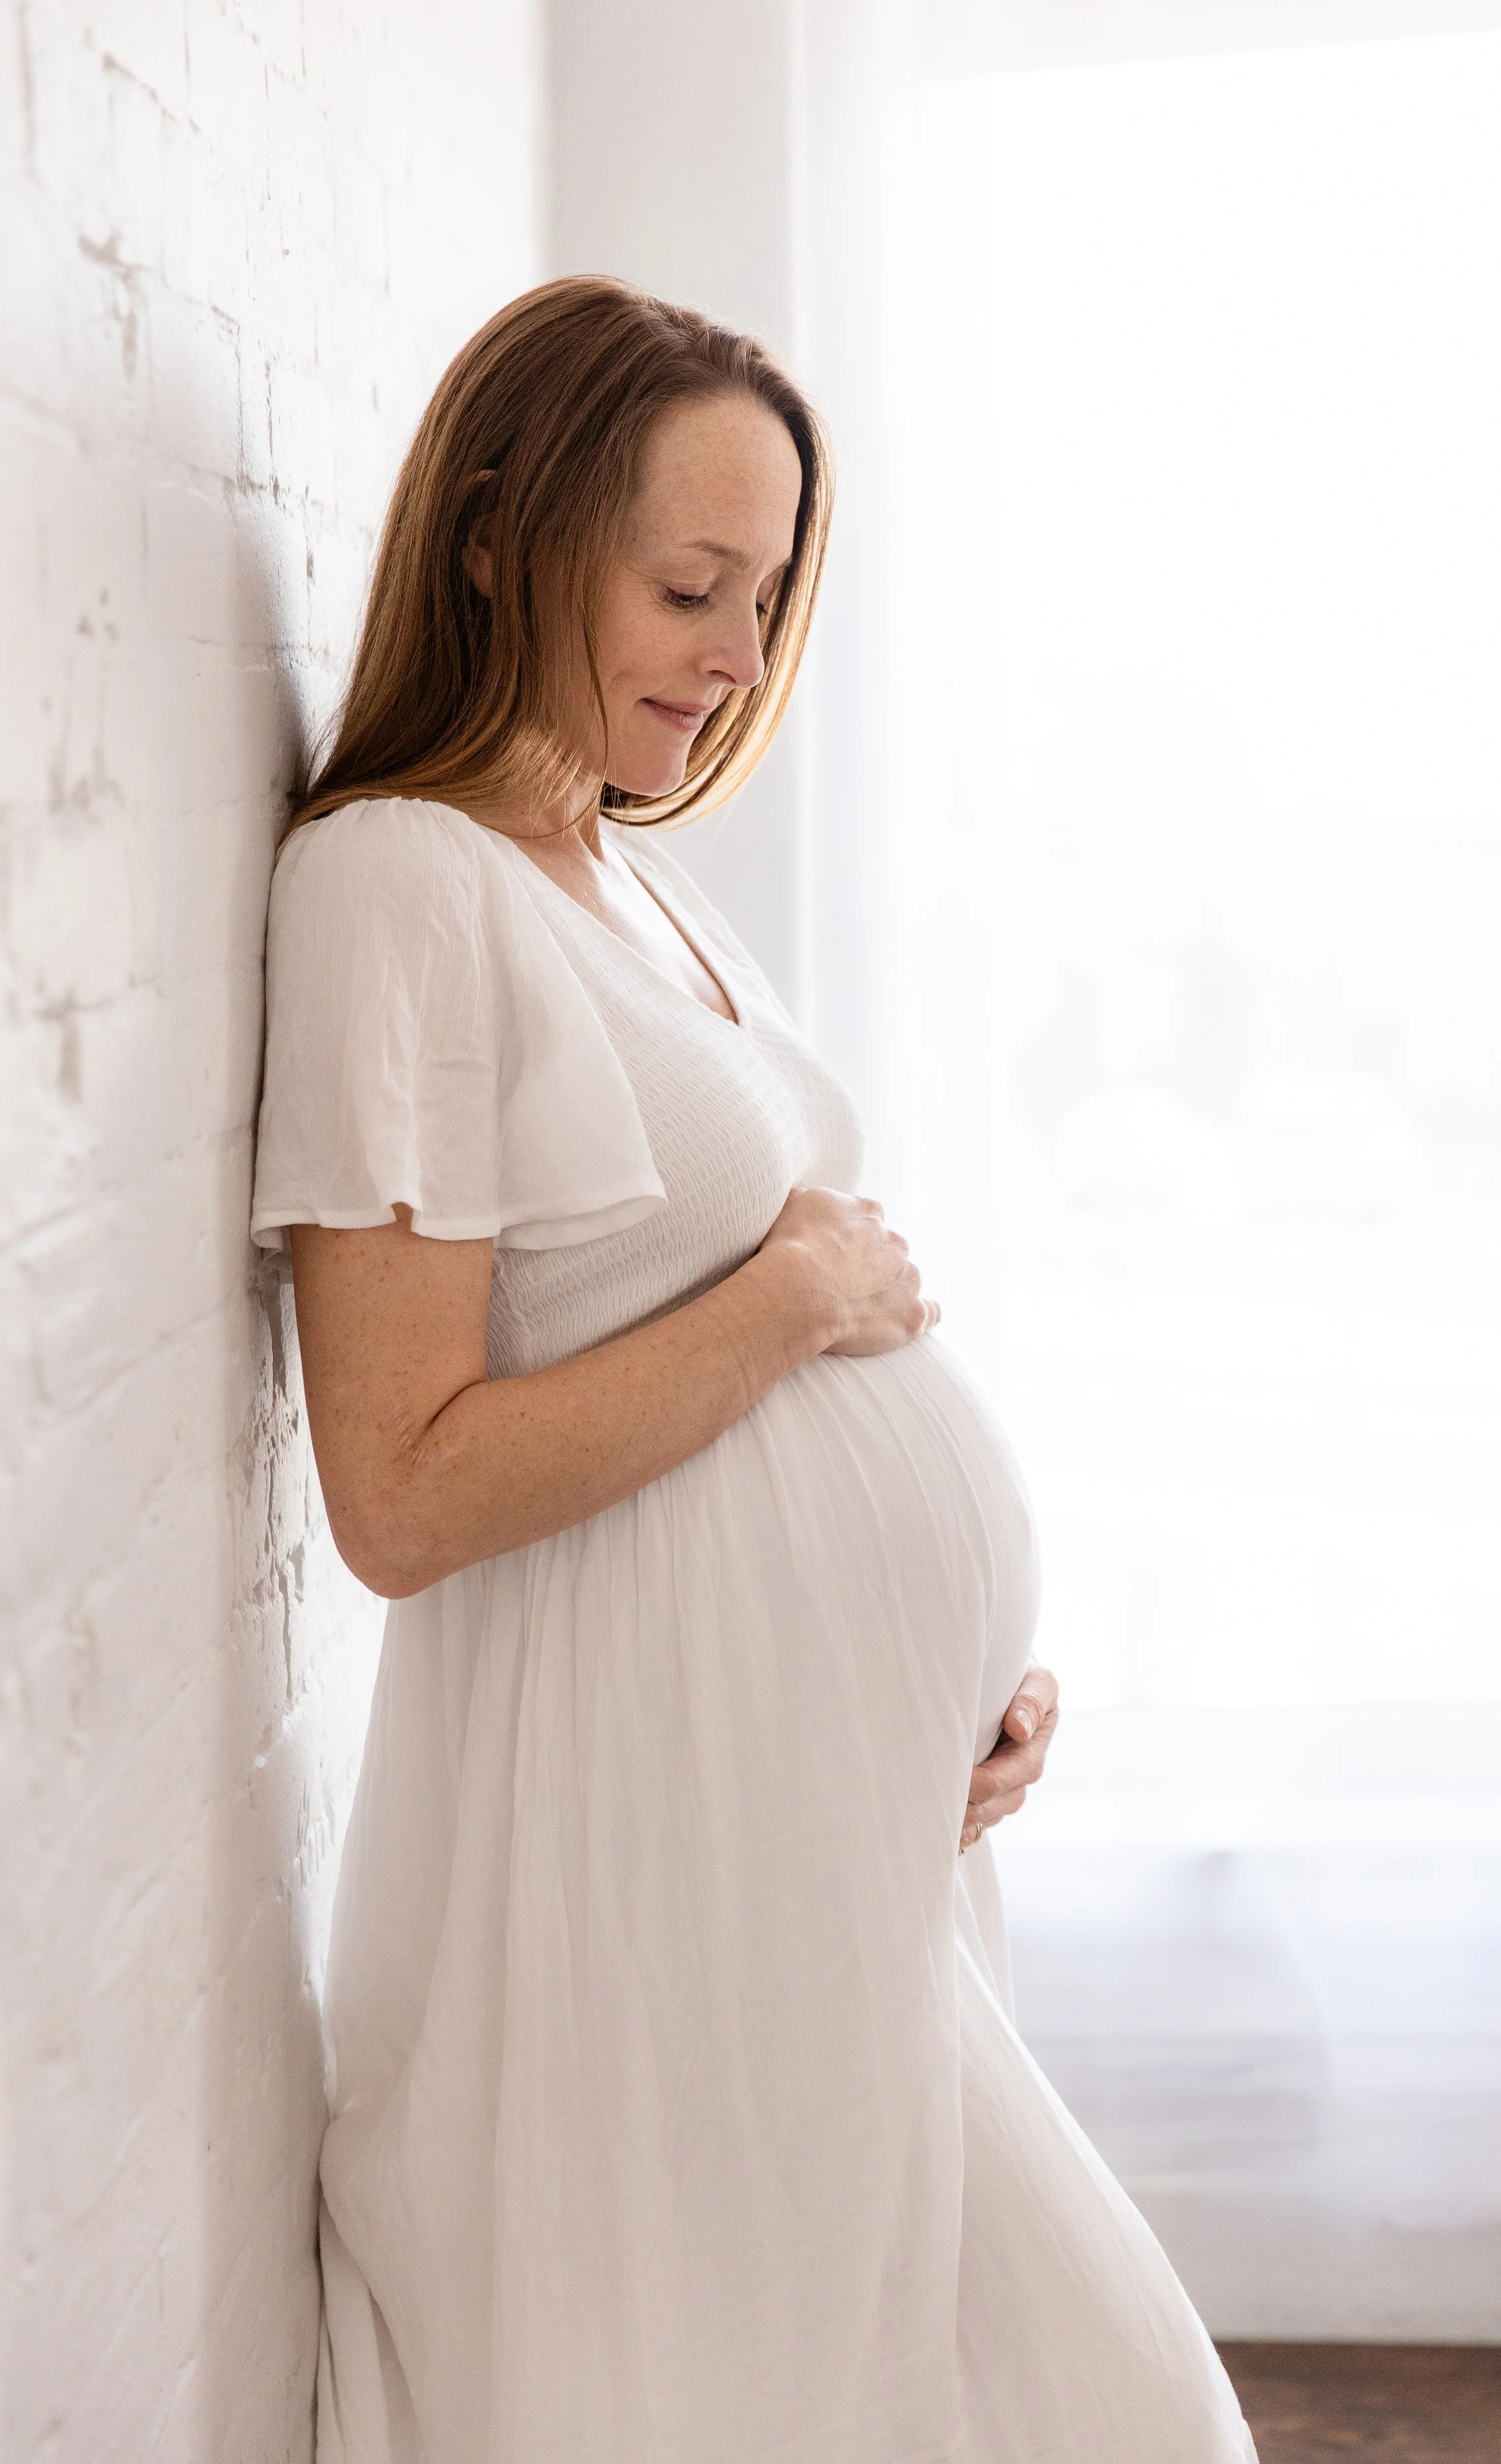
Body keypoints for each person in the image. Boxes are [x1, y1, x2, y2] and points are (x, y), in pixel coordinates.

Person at [251, 276, 1256, 2464]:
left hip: (818, 1821)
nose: (734, 650)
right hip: (642, 1846)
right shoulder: (393, 888)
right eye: (686, 582)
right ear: (503, 538)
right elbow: (398, 1491)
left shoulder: (626, 882)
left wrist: (953, 1678)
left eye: (768, 589)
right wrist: (786, 1305)